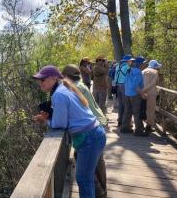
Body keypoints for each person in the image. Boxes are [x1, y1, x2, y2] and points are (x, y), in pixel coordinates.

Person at [32, 65, 106, 198]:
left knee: (84, 179)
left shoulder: (59, 94)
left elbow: (60, 124)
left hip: (90, 138)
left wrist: (45, 120)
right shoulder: (64, 87)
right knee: (86, 178)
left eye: (42, 79)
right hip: (94, 134)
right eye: (38, 80)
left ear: (54, 78)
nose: (39, 82)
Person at [62, 64, 108, 198]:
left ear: (65, 76)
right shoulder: (80, 84)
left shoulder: (75, 87)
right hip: (96, 124)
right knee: (96, 165)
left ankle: (99, 193)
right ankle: (101, 192)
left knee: (86, 173)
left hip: (90, 129)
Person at [121, 56, 148, 136]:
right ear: (141, 64)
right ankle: (139, 131)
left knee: (127, 111)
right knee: (137, 112)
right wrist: (142, 93)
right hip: (134, 95)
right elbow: (135, 85)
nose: (145, 65)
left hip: (127, 94)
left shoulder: (130, 70)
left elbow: (126, 82)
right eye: (144, 63)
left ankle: (125, 128)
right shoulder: (138, 72)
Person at [113, 55, 135, 127]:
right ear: (128, 61)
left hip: (118, 85)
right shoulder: (127, 67)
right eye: (131, 60)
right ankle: (126, 123)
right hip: (124, 86)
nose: (131, 62)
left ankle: (120, 120)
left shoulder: (118, 66)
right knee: (126, 105)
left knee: (121, 104)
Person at [142, 60, 162, 134]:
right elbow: (153, 83)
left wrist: (142, 91)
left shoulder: (143, 71)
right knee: (150, 110)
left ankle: (141, 125)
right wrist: (144, 89)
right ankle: (148, 127)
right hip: (151, 93)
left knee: (143, 109)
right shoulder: (155, 72)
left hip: (142, 93)